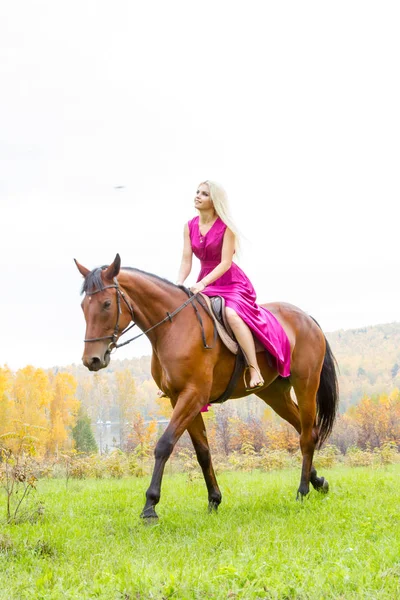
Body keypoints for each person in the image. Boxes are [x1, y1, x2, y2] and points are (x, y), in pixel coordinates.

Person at [176, 180, 291, 390]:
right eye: (197, 192)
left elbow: (225, 263)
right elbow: (186, 260)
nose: (198, 196)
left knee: (231, 315)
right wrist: (179, 283)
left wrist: (202, 283)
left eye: (204, 194)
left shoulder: (226, 227)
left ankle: (253, 367)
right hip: (204, 280)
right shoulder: (189, 226)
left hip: (230, 283)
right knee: (187, 314)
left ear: (214, 201)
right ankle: (178, 372)